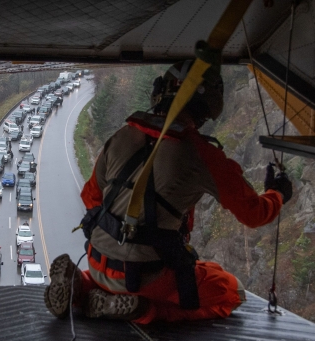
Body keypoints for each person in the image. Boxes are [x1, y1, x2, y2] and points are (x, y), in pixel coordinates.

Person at [44, 60, 293, 324]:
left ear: (160, 92)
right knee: (229, 290)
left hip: (97, 262)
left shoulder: (122, 135)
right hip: (146, 276)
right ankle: (144, 310)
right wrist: (276, 193)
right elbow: (254, 214)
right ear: (207, 107)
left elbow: (91, 197)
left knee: (120, 274)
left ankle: (81, 287)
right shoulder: (203, 155)